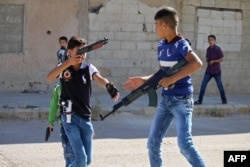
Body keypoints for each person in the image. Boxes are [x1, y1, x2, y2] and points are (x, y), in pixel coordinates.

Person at [123, 7, 206, 167]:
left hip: (182, 100)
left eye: (156, 25)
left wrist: (173, 78)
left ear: (164, 25)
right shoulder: (161, 45)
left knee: (184, 145)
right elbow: (162, 72)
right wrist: (144, 80)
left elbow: (197, 63)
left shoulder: (181, 44)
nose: (154, 29)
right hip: (166, 100)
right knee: (153, 143)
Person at [47, 36, 120, 167]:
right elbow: (50, 77)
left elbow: (99, 79)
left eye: (84, 52)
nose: (82, 55)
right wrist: (68, 63)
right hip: (69, 118)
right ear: (70, 52)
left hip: (86, 118)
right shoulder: (64, 67)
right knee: (81, 160)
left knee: (87, 161)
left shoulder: (88, 68)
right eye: (79, 52)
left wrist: (109, 86)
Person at [47, 36, 74, 167]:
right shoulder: (58, 89)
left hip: (76, 123)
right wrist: (50, 123)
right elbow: (53, 107)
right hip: (65, 124)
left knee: (76, 156)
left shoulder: (77, 87)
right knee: (69, 155)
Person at [194, 35, 227, 105]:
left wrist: (214, 61)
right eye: (209, 40)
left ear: (215, 41)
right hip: (209, 71)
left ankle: (224, 100)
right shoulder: (208, 49)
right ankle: (200, 101)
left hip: (217, 71)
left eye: (212, 40)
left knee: (220, 86)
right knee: (203, 85)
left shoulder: (218, 49)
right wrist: (208, 60)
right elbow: (207, 58)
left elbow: (221, 59)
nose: (210, 41)